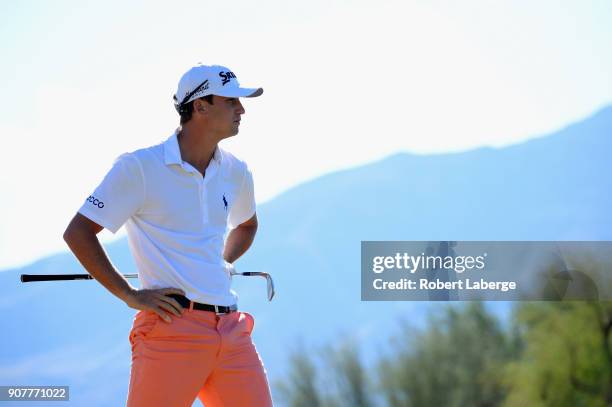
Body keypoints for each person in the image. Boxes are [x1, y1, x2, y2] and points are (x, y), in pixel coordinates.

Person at [63, 63, 273, 406]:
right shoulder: (139, 167)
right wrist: (130, 295)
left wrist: (218, 262)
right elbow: (79, 231)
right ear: (200, 105)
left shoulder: (236, 171)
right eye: (231, 101)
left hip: (232, 331)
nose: (242, 109)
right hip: (170, 330)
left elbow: (247, 225)